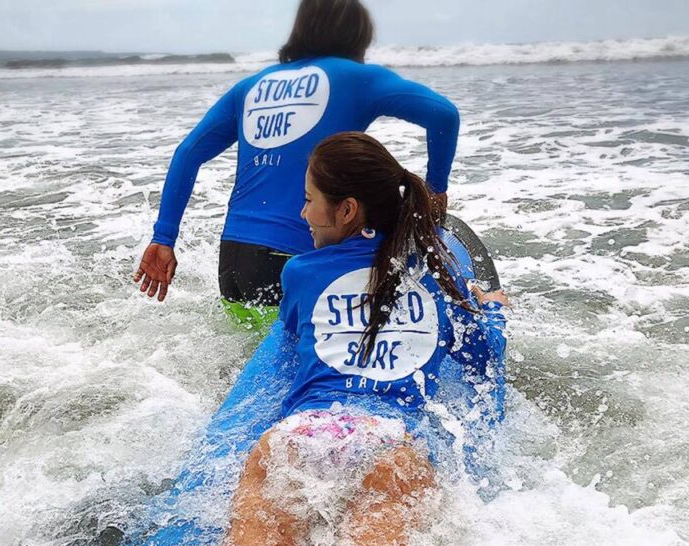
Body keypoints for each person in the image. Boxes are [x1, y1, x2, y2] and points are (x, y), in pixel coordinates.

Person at [190, 132, 507, 546]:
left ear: (347, 211)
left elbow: (293, 339)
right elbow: (482, 359)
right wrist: (488, 306)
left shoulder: (300, 272)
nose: (303, 211)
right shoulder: (441, 278)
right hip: (389, 449)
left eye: (311, 200)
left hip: (293, 442)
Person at [133, 0, 461, 329]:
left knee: (252, 366)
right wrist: (434, 191)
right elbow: (444, 114)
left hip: (233, 260)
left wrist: (164, 237)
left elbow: (188, 152)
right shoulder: (356, 78)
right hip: (296, 259)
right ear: (358, 36)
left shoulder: (252, 86)